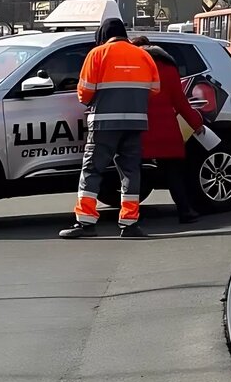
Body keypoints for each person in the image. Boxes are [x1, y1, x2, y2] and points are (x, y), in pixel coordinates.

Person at [60, 17, 160, 239]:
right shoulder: (143, 55)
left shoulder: (97, 54)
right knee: (131, 172)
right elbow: (154, 89)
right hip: (135, 122)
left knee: (92, 170)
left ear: (103, 36)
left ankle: (85, 223)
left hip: (104, 123)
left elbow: (84, 92)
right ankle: (129, 223)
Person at [131, 36, 205, 224]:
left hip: (140, 130)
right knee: (174, 173)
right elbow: (181, 103)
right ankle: (185, 211)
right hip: (167, 132)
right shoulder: (168, 67)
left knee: (132, 173)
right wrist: (197, 124)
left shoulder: (132, 67)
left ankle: (131, 216)